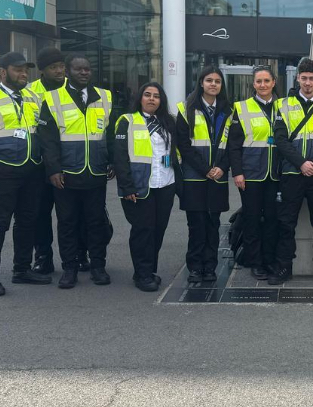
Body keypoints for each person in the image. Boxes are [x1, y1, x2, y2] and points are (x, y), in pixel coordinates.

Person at [0, 52, 51, 296]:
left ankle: (22, 269)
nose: (24, 73)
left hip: (32, 171)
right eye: (17, 69)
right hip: (2, 173)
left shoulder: (33, 97)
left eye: (26, 69)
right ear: (3, 72)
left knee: (27, 222)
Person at [38, 55, 115, 290]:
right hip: (66, 174)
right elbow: (47, 139)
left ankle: (98, 266)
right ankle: (69, 268)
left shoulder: (104, 96)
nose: (84, 72)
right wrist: (53, 169)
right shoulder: (52, 99)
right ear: (68, 72)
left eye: (87, 69)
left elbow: (109, 133)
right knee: (67, 222)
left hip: (95, 171)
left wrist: (110, 160)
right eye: (78, 69)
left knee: (95, 221)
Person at [270, 59, 313, 285]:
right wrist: (301, 163)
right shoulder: (284, 105)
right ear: (298, 78)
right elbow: (280, 140)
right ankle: (283, 268)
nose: (308, 82)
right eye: (304, 78)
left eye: (312, 78)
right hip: (292, 173)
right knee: (286, 222)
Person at [112, 83, 178, 293]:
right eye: (147, 95)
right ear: (140, 98)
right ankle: (142, 274)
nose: (152, 99)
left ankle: (147, 269)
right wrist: (127, 186)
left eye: (156, 96)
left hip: (165, 183)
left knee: (158, 229)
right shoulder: (127, 121)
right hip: (140, 186)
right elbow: (120, 156)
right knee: (143, 230)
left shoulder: (169, 122)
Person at [175, 66, 232, 284]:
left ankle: (210, 267)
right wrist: (205, 168)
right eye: (209, 80)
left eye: (217, 81)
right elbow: (184, 144)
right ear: (201, 83)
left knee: (213, 223)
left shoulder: (229, 110)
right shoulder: (186, 108)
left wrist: (222, 167)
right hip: (194, 176)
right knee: (196, 224)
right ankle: (195, 267)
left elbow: (232, 145)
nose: (213, 85)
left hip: (218, 175)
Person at [229, 66, 282, 280]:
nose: (263, 85)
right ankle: (255, 261)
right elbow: (233, 145)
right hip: (251, 173)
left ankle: (269, 260)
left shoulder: (283, 107)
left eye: (266, 81)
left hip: (275, 173)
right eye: (259, 81)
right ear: (253, 84)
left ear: (273, 82)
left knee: (271, 218)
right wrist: (237, 173)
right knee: (251, 219)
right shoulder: (241, 108)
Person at [28, 47, 71, 275]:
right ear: (42, 70)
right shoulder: (30, 92)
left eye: (62, 66)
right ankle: (43, 257)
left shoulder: (72, 89)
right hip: (37, 164)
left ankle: (77, 255)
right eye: (54, 67)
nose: (60, 71)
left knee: (71, 214)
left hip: (68, 161)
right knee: (40, 213)